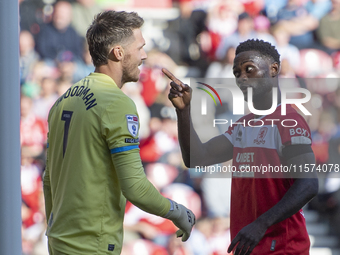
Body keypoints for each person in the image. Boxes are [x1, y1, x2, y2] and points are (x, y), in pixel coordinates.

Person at [43, 11, 195, 255]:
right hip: (93, 245)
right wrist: (178, 212)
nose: (144, 55)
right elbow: (135, 187)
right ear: (118, 53)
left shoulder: (62, 101)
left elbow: (49, 179)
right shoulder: (116, 103)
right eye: (140, 47)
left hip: (59, 242)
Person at [163, 39, 319, 255]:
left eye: (249, 69)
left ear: (274, 69)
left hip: (283, 247)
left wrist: (261, 224)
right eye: (237, 73)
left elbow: (308, 184)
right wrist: (183, 111)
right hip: (251, 246)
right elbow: (196, 158)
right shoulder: (243, 126)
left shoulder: (289, 121)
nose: (242, 78)